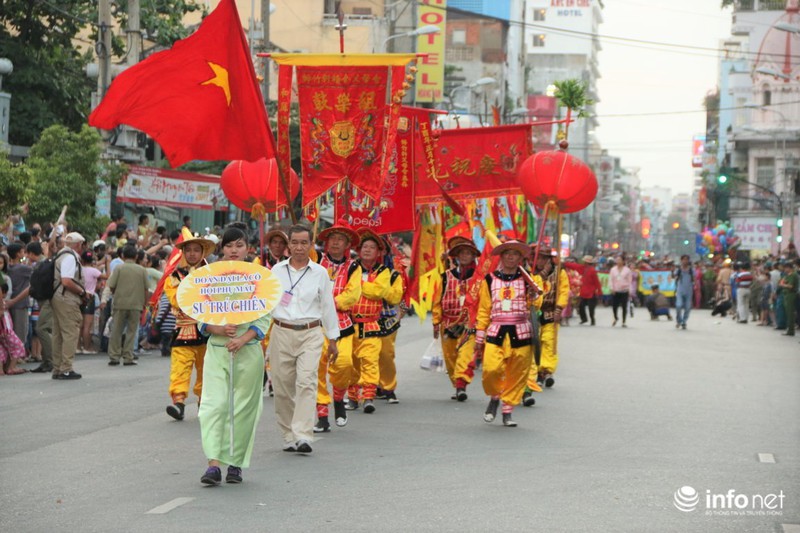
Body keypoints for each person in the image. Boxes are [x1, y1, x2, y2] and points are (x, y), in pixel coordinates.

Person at [198, 225, 272, 485]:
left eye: (239, 245)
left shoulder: (261, 278)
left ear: (248, 249)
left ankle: (236, 463)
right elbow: (199, 314)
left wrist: (243, 338)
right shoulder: (208, 277)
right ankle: (213, 464)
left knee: (243, 410)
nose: (233, 250)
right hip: (217, 350)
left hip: (248, 352)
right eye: (229, 245)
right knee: (214, 406)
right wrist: (216, 328)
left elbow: (264, 318)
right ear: (222, 248)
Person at [269, 224, 339, 454]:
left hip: (310, 332)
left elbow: (328, 306)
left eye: (304, 243)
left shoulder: (320, 273)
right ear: (288, 245)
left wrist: (333, 339)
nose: (299, 247)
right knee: (282, 387)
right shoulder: (276, 271)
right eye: (295, 242)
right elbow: (266, 304)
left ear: (311, 245)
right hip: (281, 332)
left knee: (307, 382)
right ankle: (288, 435)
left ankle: (303, 435)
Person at [474, 240, 541, 427]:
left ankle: (507, 411)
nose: (511, 257)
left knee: (517, 374)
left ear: (520, 258)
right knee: (491, 369)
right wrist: (479, 335)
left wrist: (534, 295)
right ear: (501, 257)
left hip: (521, 332)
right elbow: (484, 309)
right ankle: (495, 396)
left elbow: (537, 304)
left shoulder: (528, 279)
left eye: (515, 254)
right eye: (507, 253)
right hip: (496, 331)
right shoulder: (489, 279)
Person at [313, 221, 360, 433]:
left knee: (344, 364)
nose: (335, 242)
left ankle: (339, 397)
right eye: (332, 238)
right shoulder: (316, 261)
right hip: (317, 324)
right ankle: (322, 413)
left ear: (347, 244)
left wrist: (329, 304)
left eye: (340, 239)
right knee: (317, 369)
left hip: (342, 325)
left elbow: (352, 295)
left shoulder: (353, 267)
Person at [164, 234, 216, 420]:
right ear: (183, 253)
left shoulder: (212, 276)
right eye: (188, 250)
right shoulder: (174, 277)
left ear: (203, 253)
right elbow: (177, 300)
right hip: (183, 329)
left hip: (207, 330)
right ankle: (178, 403)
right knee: (180, 368)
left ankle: (204, 402)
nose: (192, 254)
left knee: (206, 369)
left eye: (196, 250)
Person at [346, 228, 391, 414]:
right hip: (349, 323)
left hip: (371, 324)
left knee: (370, 361)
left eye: (372, 247)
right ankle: (352, 397)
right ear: (359, 249)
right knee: (350, 362)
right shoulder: (350, 267)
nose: (367, 250)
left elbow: (379, 292)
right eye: (365, 246)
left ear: (378, 252)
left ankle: (369, 397)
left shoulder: (384, 271)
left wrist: (358, 284)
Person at [431, 237, 480, 402]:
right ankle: (457, 383)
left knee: (465, 356)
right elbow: (437, 301)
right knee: (450, 358)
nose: (465, 255)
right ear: (457, 256)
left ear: (473, 256)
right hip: (448, 324)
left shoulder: (479, 278)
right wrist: (436, 322)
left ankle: (461, 384)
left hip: (469, 325)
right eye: (462, 253)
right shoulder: (445, 277)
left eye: (468, 253)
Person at [529, 245, 568, 394]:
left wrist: (559, 308)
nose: (540, 261)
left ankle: (545, 371)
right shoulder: (530, 273)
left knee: (549, 342)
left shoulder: (559, 273)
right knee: (535, 343)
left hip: (551, 314)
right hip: (533, 315)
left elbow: (564, 291)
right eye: (538, 258)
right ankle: (534, 371)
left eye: (544, 258)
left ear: (549, 259)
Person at [51, 232, 88, 380]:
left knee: (58, 334)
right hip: (67, 297)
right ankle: (66, 368)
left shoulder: (60, 255)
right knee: (70, 332)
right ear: (78, 244)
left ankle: (57, 368)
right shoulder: (70, 257)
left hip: (57, 296)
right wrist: (81, 291)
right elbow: (66, 281)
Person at [106, 245, 149, 366]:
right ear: (136, 256)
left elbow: (111, 285)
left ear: (123, 255)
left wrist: (117, 294)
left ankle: (114, 356)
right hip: (136, 304)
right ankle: (128, 356)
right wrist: (145, 304)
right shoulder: (142, 270)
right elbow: (146, 289)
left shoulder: (119, 268)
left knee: (116, 330)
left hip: (120, 303)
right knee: (131, 331)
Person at [376, 244, 406, 404]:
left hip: (387, 320)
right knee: (364, 356)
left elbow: (396, 297)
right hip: (364, 319)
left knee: (386, 355)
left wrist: (379, 287)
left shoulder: (394, 274)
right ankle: (370, 385)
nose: (372, 251)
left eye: (379, 248)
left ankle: (388, 387)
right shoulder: (358, 271)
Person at [5, 243, 32, 359]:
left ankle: (12, 357)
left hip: (9, 303)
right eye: (22, 252)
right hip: (20, 303)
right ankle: (18, 358)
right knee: (21, 331)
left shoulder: (8, 268)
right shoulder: (23, 268)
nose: (24, 254)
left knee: (11, 332)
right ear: (17, 254)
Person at [78, 251, 104, 354]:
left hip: (79, 296)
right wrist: (106, 262)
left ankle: (78, 347)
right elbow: (107, 276)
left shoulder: (79, 269)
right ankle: (87, 347)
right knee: (87, 325)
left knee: (79, 325)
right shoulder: (94, 271)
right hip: (90, 297)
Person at [609, 255, 632, 327]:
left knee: (624, 306)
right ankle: (615, 317)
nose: (618, 261)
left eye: (619, 260)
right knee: (614, 306)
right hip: (615, 290)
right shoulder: (613, 269)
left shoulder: (627, 270)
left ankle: (623, 321)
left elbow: (630, 281)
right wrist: (612, 288)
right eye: (617, 260)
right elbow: (611, 280)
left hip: (624, 290)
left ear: (623, 261)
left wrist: (629, 290)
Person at [673, 254, 694, 330]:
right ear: (681, 260)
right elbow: (674, 277)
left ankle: (684, 321)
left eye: (686, 259)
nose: (685, 261)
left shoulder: (691, 270)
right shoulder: (678, 270)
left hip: (689, 291)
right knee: (678, 305)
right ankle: (679, 320)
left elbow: (694, 279)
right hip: (680, 290)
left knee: (688, 307)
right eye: (684, 259)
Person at [778, 260, 797, 336]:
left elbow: (791, 286)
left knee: (790, 313)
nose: (785, 269)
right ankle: (789, 329)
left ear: (790, 268)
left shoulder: (793, 275)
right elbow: (780, 282)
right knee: (787, 313)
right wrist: (782, 283)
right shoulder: (787, 275)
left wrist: (783, 285)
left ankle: (791, 331)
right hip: (786, 294)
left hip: (791, 294)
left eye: (786, 268)